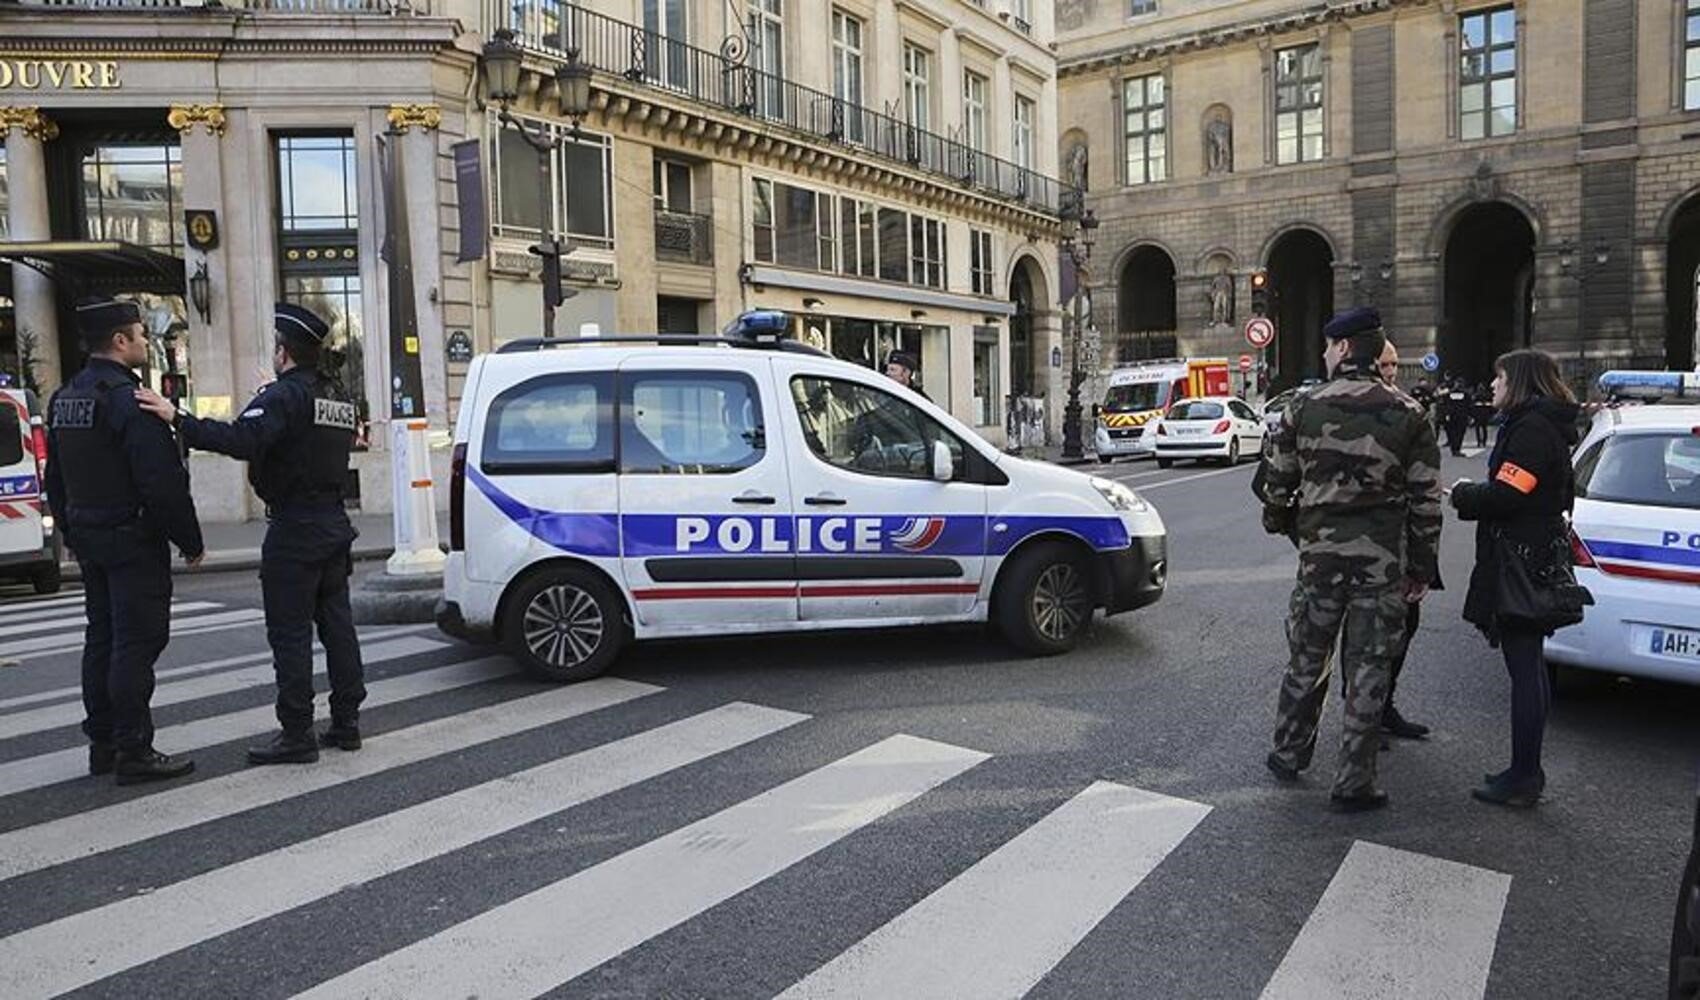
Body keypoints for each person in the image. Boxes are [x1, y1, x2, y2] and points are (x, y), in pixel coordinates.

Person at [137, 303, 364, 766]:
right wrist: (271, 394)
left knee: (291, 634)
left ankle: (297, 733)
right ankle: (347, 723)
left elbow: (242, 439)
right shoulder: (337, 396)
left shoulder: (284, 397)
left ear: (283, 352)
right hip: (333, 524)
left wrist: (176, 418)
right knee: (338, 628)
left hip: (295, 529)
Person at [1260, 307, 1442, 812]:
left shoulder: (1302, 406)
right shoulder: (1409, 412)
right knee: (1368, 670)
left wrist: (1281, 521)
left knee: (1306, 660)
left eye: (1327, 346)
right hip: (1380, 567)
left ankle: (1288, 751)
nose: (1323, 353)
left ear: (1342, 349)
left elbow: (1278, 483)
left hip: (1318, 562)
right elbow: (1427, 501)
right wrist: (1420, 568)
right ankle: (1354, 781)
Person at [44, 296, 204, 785]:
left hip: (90, 536)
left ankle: (105, 742)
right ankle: (134, 748)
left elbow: (57, 477)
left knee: (103, 638)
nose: (145, 342)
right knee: (136, 642)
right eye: (139, 334)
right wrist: (189, 539)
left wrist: (70, 530)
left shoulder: (66, 397)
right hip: (133, 539)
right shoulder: (129, 402)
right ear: (120, 341)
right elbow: (161, 481)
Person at [1449, 349, 1580, 808]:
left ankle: (1525, 774)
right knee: (1531, 667)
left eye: (1499, 378)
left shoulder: (1531, 430)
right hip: (1534, 553)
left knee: (1524, 668)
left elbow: (1508, 492)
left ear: (1519, 382)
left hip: (1521, 561)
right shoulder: (1542, 425)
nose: (1492, 387)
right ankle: (1526, 768)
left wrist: (1464, 494)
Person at [1471, 381, 1495, 449]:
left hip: (1479, 414)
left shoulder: (1476, 395)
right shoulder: (1487, 395)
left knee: (1479, 428)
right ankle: (1483, 442)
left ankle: (1480, 442)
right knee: (1484, 428)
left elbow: (1472, 405)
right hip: (1484, 414)